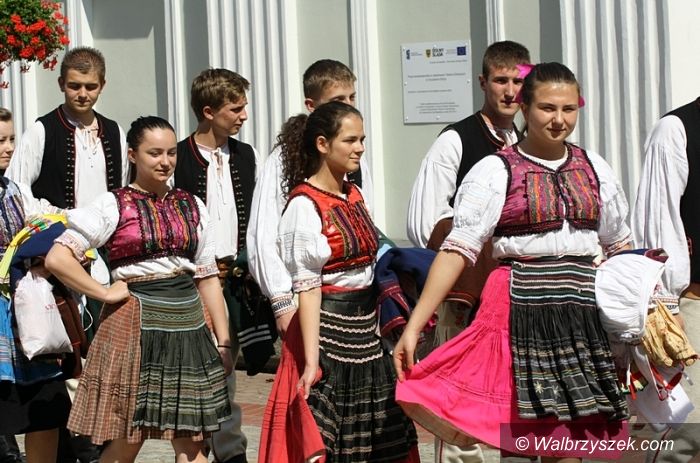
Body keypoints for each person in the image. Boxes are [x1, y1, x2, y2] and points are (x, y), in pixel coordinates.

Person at [393, 63, 631, 462]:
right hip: (516, 314)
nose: (559, 120)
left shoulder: (595, 168)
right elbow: (457, 250)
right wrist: (416, 326)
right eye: (547, 108)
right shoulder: (495, 169)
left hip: (580, 317)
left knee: (569, 443)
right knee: (519, 437)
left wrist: (644, 308)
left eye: (568, 109)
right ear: (525, 107)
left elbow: (620, 245)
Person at [44, 116, 233, 463]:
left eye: (171, 153)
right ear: (132, 155)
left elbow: (207, 277)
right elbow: (58, 258)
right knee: (128, 440)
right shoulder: (113, 204)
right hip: (134, 325)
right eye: (154, 153)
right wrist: (103, 292)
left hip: (188, 325)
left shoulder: (193, 204)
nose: (165, 162)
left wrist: (224, 341)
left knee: (191, 441)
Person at [259, 101, 418, 462]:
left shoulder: (354, 195)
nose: (359, 147)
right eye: (350, 140)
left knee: (382, 439)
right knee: (326, 441)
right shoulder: (303, 205)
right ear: (322, 144)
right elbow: (308, 288)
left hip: (366, 333)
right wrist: (311, 362)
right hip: (325, 333)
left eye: (361, 139)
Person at [406, 40, 530, 463]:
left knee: (511, 394)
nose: (510, 91)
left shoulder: (526, 141)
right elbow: (424, 220)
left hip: (512, 294)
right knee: (461, 398)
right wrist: (481, 251)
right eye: (501, 81)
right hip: (466, 291)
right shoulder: (455, 140)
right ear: (482, 82)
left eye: (518, 82)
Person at [247, 59, 374, 339]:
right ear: (311, 104)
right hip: (307, 296)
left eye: (352, 97)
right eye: (338, 100)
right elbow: (264, 233)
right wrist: (281, 300)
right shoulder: (283, 159)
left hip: (360, 302)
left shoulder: (355, 158)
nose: (349, 105)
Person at [174, 68, 259, 463]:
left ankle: (227, 450)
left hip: (236, 282)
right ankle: (211, 450)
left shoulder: (245, 155)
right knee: (200, 375)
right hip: (194, 282)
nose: (244, 115)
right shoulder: (178, 157)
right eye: (235, 108)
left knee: (225, 369)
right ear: (208, 112)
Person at [0, 107, 72, 463]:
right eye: (0, 140)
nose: (9, 147)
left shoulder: (13, 190)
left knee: (45, 412)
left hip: (26, 316)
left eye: (11, 138)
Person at [632, 98, 700, 463]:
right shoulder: (676, 130)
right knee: (688, 430)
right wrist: (666, 304)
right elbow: (658, 220)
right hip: (691, 304)